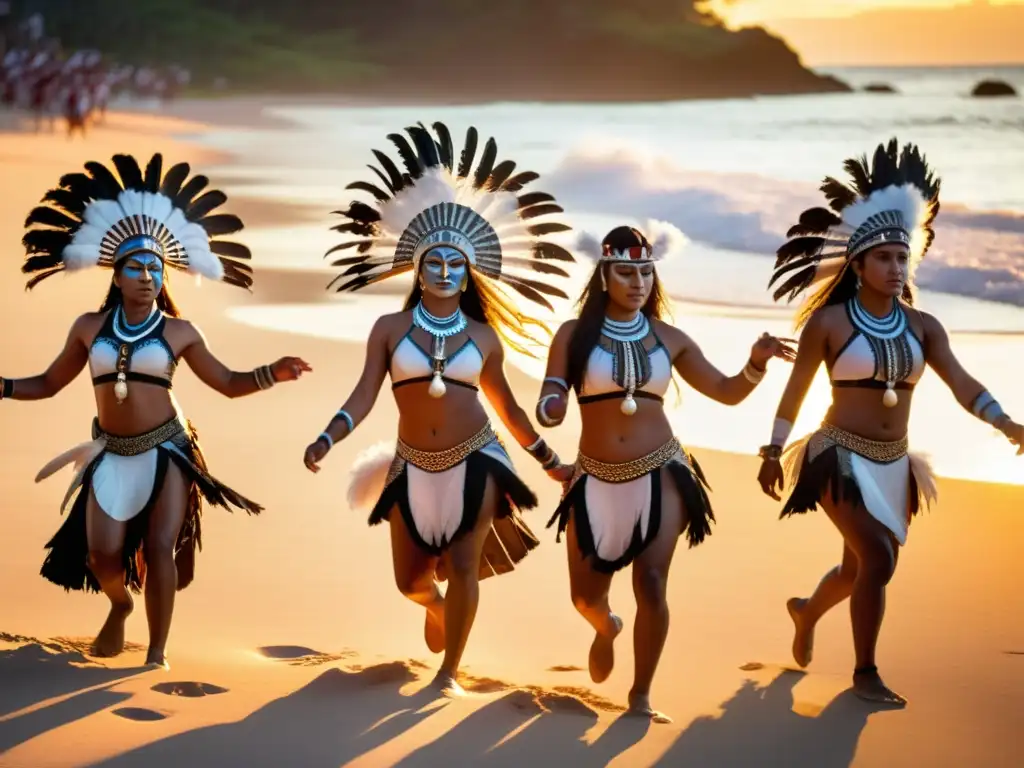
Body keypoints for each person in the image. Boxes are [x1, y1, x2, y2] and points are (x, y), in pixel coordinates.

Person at [1, 152, 311, 669]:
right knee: (102, 556)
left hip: (168, 448)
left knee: (159, 544)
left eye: (154, 268)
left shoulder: (180, 332)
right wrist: (5, 386)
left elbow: (229, 384)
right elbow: (50, 383)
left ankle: (156, 655)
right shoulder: (87, 326)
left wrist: (270, 373)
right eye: (134, 267)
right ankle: (121, 605)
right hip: (111, 451)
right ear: (116, 275)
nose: (146, 276)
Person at [302, 122, 576, 694]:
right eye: (434, 263)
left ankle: (448, 672)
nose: (446, 272)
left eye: (456, 264)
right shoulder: (389, 328)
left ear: (469, 268)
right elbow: (364, 393)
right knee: (411, 582)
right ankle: (434, 608)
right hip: (410, 465)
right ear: (416, 267)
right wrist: (329, 437)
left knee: (465, 564)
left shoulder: (484, 336)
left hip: (476, 459)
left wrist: (549, 461)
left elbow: (509, 409)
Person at [756, 138, 1023, 706]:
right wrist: (773, 450)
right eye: (883, 258)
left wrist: (1007, 424)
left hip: (894, 465)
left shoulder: (925, 326)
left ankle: (806, 613)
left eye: (903, 258)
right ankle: (865, 674)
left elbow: (961, 382)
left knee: (859, 567)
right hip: (835, 453)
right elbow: (797, 388)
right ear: (857, 263)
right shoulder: (828, 323)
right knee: (878, 558)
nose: (896, 267)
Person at [539, 224, 796, 722]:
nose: (638, 282)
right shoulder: (574, 335)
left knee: (652, 581)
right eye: (626, 272)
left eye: (646, 273)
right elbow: (552, 392)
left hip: (662, 471)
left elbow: (725, 391)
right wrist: (550, 406)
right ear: (604, 275)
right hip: (594, 477)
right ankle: (606, 626)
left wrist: (755, 364)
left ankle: (640, 696)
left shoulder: (670, 339)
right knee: (584, 595)